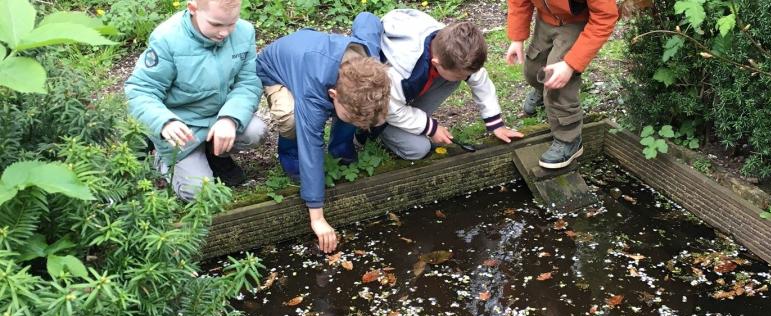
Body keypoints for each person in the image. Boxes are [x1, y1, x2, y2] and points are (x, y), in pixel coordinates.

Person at [256, 12, 391, 254]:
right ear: (332, 95)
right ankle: (289, 155)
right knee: (291, 119)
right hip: (275, 68)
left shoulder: (369, 57)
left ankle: (340, 146)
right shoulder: (313, 90)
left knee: (354, 112)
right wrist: (317, 218)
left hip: (310, 49)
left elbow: (367, 19)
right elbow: (311, 146)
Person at [125, 0, 265, 200]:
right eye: (216, 24)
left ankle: (214, 153)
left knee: (255, 131)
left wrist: (230, 118)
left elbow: (248, 82)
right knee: (202, 194)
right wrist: (165, 122)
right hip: (182, 128)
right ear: (193, 9)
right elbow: (140, 90)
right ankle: (160, 158)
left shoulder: (244, 32)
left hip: (218, 118)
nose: (225, 32)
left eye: (231, 23)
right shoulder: (167, 38)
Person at [368, 9, 524, 160]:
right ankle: (380, 131)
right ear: (436, 63)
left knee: (453, 78)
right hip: (379, 107)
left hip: (400, 97)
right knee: (418, 150)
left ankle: (411, 119)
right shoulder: (402, 71)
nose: (467, 78)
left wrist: (496, 124)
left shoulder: (452, 46)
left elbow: (479, 79)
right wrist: (430, 127)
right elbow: (391, 110)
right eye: (462, 74)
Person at [504, 0, 618, 169]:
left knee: (558, 84)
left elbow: (605, 17)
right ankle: (541, 92)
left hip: (576, 23)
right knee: (533, 70)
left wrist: (570, 64)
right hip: (546, 20)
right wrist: (517, 38)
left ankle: (569, 140)